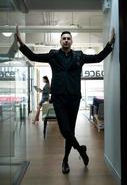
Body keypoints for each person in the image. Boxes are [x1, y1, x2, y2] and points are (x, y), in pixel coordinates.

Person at [15, 26, 115, 174]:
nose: (66, 40)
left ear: (72, 41)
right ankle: (81, 150)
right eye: (64, 38)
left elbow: (98, 57)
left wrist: (110, 44)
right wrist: (21, 44)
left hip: (74, 97)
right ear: (60, 41)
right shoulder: (53, 55)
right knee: (65, 130)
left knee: (70, 130)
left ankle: (65, 160)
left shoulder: (79, 56)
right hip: (59, 98)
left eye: (68, 38)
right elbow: (33, 56)